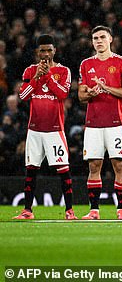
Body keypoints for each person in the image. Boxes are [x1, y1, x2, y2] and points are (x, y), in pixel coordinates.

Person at [14, 34, 76, 220]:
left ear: (55, 51)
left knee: (63, 170)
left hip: (55, 130)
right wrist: (37, 77)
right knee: (31, 170)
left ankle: (69, 211)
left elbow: (63, 93)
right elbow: (23, 96)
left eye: (49, 50)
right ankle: (27, 211)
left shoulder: (64, 71)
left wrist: (47, 75)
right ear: (37, 52)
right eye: (42, 50)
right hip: (34, 130)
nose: (46, 54)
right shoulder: (29, 71)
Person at [78, 26, 122, 220]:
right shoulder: (86, 64)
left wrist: (105, 88)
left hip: (116, 123)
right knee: (94, 166)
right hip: (93, 123)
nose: (99, 41)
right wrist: (90, 93)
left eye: (102, 37)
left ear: (111, 39)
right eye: (95, 38)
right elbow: (80, 95)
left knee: (119, 165)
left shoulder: (121, 62)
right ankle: (94, 210)